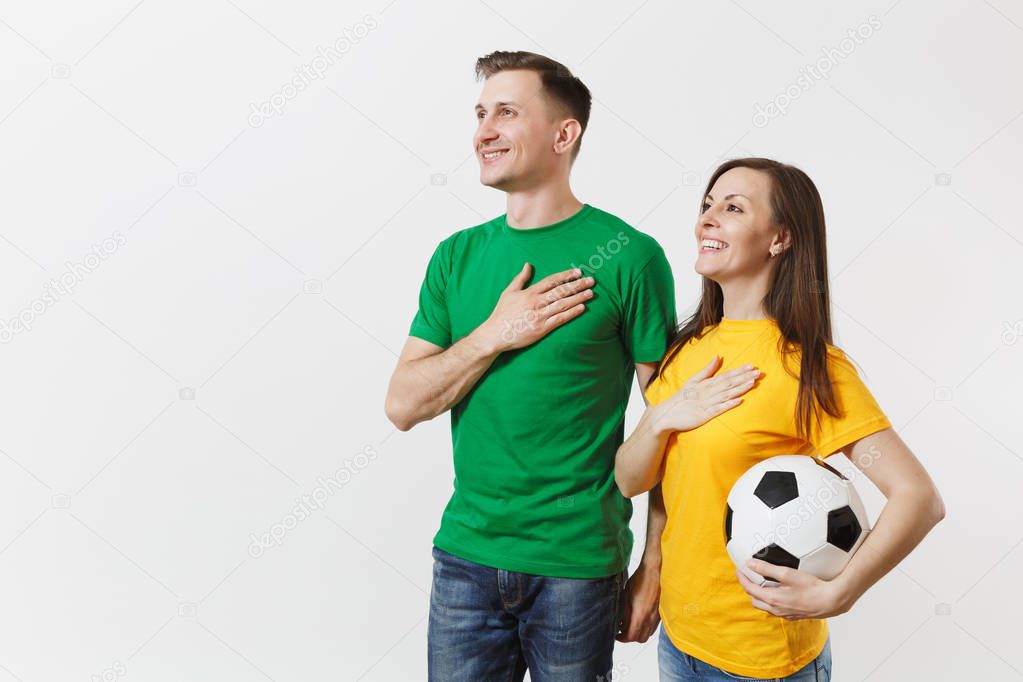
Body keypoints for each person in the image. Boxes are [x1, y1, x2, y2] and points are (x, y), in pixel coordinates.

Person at [384, 50, 739, 681]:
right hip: (465, 557)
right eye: (480, 113)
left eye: (507, 112)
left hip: (577, 566)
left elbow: (670, 424)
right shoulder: (456, 256)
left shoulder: (631, 257)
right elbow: (403, 405)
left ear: (563, 133)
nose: (483, 131)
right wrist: (494, 334)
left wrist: (653, 567)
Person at [614, 158, 945, 681]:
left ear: (779, 239)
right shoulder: (686, 349)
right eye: (707, 206)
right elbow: (635, 480)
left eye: (733, 208)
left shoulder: (809, 368)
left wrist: (841, 591)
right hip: (680, 643)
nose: (708, 218)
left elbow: (918, 498)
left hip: (762, 660)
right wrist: (660, 421)